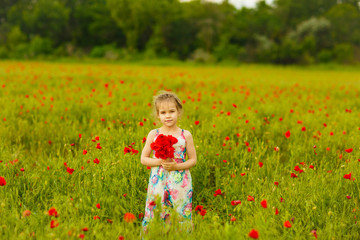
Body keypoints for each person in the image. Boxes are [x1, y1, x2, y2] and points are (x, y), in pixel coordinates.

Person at [140, 90, 197, 238]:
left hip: (180, 181)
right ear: (158, 115)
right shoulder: (154, 134)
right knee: (156, 211)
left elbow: (193, 160)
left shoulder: (185, 135)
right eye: (163, 112)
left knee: (179, 211)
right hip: (158, 180)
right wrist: (160, 162)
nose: (168, 115)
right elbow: (143, 159)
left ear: (178, 112)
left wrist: (176, 166)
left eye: (172, 111)